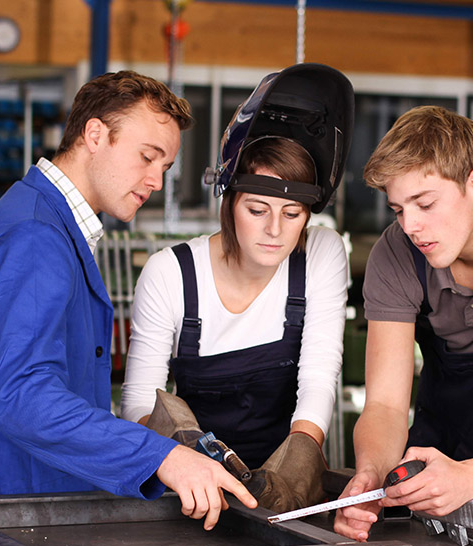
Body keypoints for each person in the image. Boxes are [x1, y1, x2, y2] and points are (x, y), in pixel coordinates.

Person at [0, 70, 256, 530]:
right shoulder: (34, 235)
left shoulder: (52, 225)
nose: (155, 181)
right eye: (147, 157)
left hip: (15, 499)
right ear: (95, 134)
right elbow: (23, 396)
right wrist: (162, 457)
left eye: (165, 167)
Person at [121, 63, 354, 512]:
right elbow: (138, 403)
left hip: (283, 487)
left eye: (292, 214)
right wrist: (187, 458)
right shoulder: (171, 273)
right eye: (257, 209)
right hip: (188, 489)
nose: (274, 230)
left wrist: (298, 464)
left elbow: (319, 375)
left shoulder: (322, 254)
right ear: (228, 201)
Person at [334, 105, 473, 542]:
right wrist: (371, 476)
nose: (411, 226)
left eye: (426, 203)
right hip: (442, 441)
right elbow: (387, 406)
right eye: (398, 209)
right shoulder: (398, 254)